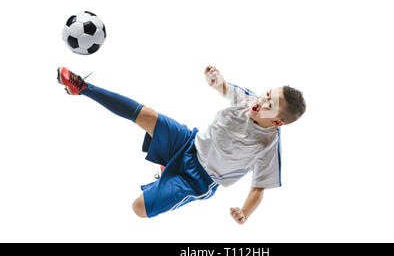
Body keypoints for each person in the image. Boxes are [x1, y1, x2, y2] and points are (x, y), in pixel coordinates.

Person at [56, 65, 306, 224]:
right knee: (149, 116)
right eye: (267, 94)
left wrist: (245, 212)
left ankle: (165, 176)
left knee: (139, 209)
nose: (261, 101)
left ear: (277, 121)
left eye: (269, 105)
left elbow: (258, 189)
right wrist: (216, 80)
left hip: (197, 179)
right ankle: (83, 88)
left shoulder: (268, 146)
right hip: (188, 142)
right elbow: (226, 88)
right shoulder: (248, 99)